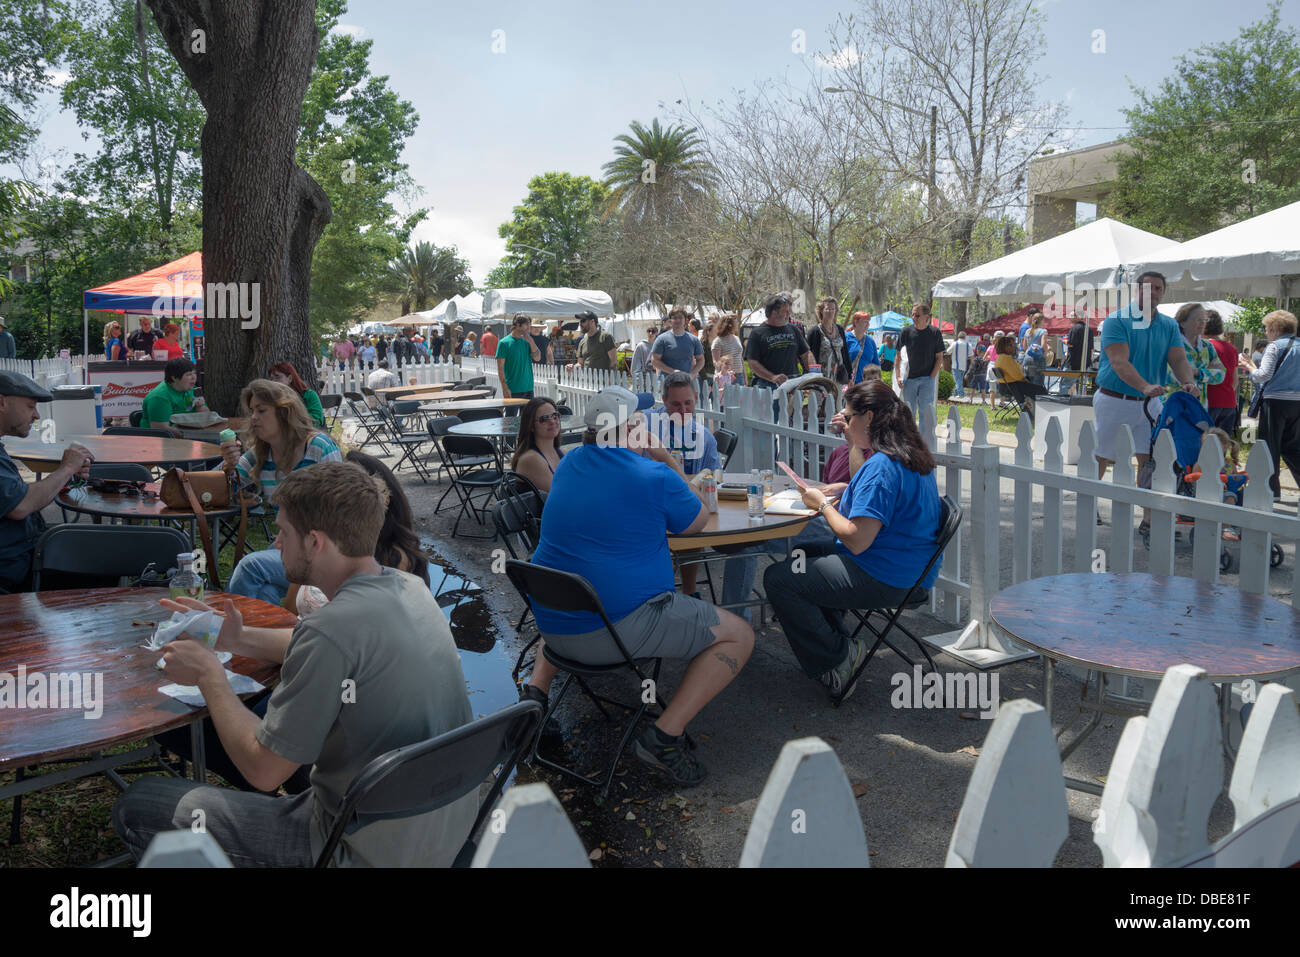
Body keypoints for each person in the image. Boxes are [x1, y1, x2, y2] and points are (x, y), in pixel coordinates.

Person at [113, 461, 475, 867]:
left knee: (140, 805)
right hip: (441, 828)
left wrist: (209, 675)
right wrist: (233, 636)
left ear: (315, 542)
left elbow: (264, 772)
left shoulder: (331, 630)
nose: (277, 543)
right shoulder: (407, 588)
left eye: (283, 532)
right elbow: (336, 648)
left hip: (353, 848)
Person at [521, 386, 753, 786]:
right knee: (740, 636)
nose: (647, 422)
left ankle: (534, 695)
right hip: (613, 630)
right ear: (630, 427)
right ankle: (664, 737)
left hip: (554, 627)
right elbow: (696, 523)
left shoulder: (570, 464)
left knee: (574, 577)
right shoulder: (652, 474)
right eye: (640, 419)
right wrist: (664, 457)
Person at [763, 380, 942, 701]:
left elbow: (857, 540)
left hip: (887, 576)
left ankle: (838, 657)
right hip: (910, 570)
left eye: (849, 416)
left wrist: (821, 503)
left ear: (869, 418)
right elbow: (893, 503)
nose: (846, 421)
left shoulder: (882, 467)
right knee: (806, 553)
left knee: (778, 579)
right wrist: (846, 490)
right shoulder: (910, 456)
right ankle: (838, 643)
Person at [1093, 271, 1199, 531]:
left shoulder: (1169, 325)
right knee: (1101, 458)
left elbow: (1178, 360)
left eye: (1159, 289)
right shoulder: (1116, 321)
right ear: (1136, 290)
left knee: (1152, 458)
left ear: (1163, 293)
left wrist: (1188, 382)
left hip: (1150, 403)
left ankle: (1149, 519)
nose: (1154, 293)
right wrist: (1145, 385)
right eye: (1148, 288)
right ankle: (1089, 504)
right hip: (1114, 398)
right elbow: (1119, 362)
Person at [223, 380, 344, 604]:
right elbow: (228, 489)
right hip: (289, 547)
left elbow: (340, 512)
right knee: (263, 593)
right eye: (251, 411)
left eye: (261, 410)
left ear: (284, 412)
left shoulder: (318, 447)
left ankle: (232, 631)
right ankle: (270, 634)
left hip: (325, 552)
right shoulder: (260, 454)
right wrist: (229, 466)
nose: (254, 418)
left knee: (250, 566)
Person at [0, 371, 93, 592]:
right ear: (2, 402)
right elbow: (19, 505)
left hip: (25, 555)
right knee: (113, 556)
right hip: (14, 570)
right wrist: (67, 468)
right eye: (30, 406)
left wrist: (65, 476)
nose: (37, 416)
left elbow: (14, 495)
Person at [645, 371, 722, 599]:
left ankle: (689, 592)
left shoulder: (704, 436)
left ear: (696, 399)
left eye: (688, 403)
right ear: (664, 400)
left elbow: (715, 475)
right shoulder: (645, 426)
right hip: (647, 503)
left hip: (682, 504)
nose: (683, 410)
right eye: (676, 404)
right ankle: (660, 593)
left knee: (691, 519)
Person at [1239, 310, 1300, 499]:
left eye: (1267, 329)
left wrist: (1249, 367)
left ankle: (1271, 490)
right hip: (1297, 402)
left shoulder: (1274, 347)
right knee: (1293, 446)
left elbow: (1262, 375)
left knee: (1269, 446)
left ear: (1275, 329)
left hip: (1275, 402)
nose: (1266, 333)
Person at [744, 293, 814, 389]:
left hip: (793, 383)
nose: (789, 313)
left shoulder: (793, 329)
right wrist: (772, 377)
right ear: (774, 313)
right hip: (767, 385)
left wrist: (813, 371)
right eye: (785, 311)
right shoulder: (757, 333)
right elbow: (752, 362)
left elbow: (806, 354)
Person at [897, 303, 945, 421]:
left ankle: (924, 439)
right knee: (908, 414)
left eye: (917, 315)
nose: (914, 318)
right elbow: (898, 356)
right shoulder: (906, 332)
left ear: (926, 316)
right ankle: (910, 438)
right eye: (912, 315)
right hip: (909, 380)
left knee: (925, 414)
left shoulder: (935, 333)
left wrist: (932, 377)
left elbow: (939, 357)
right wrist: (898, 376)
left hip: (927, 380)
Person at [509, 396, 565, 494]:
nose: (552, 421)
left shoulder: (563, 453)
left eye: (554, 415)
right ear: (531, 426)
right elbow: (560, 495)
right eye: (544, 419)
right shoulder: (531, 459)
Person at [1172, 303, 1225, 406]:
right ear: (1183, 323)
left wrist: (1198, 372)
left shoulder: (1207, 346)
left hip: (1200, 407)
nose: (1202, 323)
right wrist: (1208, 372)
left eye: (1204, 320)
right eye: (1197, 319)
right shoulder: (1172, 344)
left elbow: (1221, 375)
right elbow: (1171, 375)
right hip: (1175, 405)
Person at [140, 357, 207, 429]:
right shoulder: (160, 397)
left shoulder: (192, 389)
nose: (194, 377)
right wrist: (188, 436)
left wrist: (200, 407)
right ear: (174, 378)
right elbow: (161, 429)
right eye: (188, 374)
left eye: (194, 373)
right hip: (162, 438)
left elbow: (207, 417)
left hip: (188, 433)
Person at [992, 337, 1048, 421]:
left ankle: (1032, 411)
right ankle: (1044, 413)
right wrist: (1025, 380)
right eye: (1010, 345)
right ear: (1004, 347)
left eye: (1013, 344)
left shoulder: (999, 358)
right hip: (1014, 386)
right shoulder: (1006, 358)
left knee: (1035, 388)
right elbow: (1017, 375)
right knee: (1041, 390)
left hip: (1006, 387)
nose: (1013, 347)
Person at [1204, 310, 1240, 435]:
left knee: (1204, 444)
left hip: (1210, 400)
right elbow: (1235, 381)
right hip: (1229, 401)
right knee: (1222, 445)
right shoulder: (1232, 348)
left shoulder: (1205, 347)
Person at [496, 314, 542, 408]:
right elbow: (500, 368)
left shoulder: (527, 341)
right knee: (510, 420)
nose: (529, 328)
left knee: (527, 420)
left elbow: (538, 358)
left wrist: (531, 341)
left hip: (528, 388)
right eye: (526, 325)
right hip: (512, 389)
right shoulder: (504, 343)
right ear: (517, 324)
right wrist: (505, 388)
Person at [806, 297, 851, 385]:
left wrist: (849, 375)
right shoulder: (815, 331)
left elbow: (844, 352)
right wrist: (812, 377)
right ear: (821, 311)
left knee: (838, 398)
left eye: (833, 309)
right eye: (827, 309)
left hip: (839, 375)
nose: (830, 311)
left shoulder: (840, 329)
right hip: (821, 377)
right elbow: (809, 355)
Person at [268, 361, 326, 428]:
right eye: (271, 378)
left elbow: (316, 423)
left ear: (290, 378)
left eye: (277, 376)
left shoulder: (309, 395)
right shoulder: (271, 399)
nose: (273, 381)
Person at [650, 308, 704, 379]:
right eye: (674, 318)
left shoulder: (694, 340)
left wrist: (692, 373)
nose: (678, 320)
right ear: (670, 321)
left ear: (685, 320)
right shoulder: (661, 339)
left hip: (686, 381)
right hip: (666, 381)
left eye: (680, 317)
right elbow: (654, 360)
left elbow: (701, 360)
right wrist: (672, 371)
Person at [844, 311, 880, 385]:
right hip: (848, 382)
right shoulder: (845, 338)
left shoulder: (870, 341)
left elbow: (876, 364)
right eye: (865, 322)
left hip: (866, 383)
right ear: (856, 322)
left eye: (868, 322)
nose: (868, 325)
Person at [711, 314, 743, 384]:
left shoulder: (737, 338)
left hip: (739, 376)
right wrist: (726, 373)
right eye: (736, 322)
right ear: (729, 325)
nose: (738, 323)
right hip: (725, 377)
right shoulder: (718, 341)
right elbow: (716, 362)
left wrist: (745, 377)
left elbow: (740, 358)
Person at [1019, 311, 1047, 386]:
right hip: (1038, 359)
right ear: (1041, 321)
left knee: (1029, 381)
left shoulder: (1028, 331)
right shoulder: (1043, 331)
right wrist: (1046, 352)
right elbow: (1043, 345)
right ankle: (1037, 397)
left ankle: (1029, 397)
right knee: (1038, 381)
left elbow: (1024, 346)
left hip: (1028, 358)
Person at [690, 317, 716, 384]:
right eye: (715, 330)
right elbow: (699, 363)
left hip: (714, 377)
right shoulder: (702, 345)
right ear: (708, 332)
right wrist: (705, 379)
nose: (717, 332)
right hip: (704, 378)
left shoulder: (716, 345)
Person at [947, 334, 971, 399]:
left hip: (955, 365)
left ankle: (961, 394)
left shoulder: (955, 343)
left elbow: (948, 352)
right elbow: (971, 355)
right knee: (959, 380)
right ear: (965, 337)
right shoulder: (968, 344)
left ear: (958, 336)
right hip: (964, 366)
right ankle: (955, 394)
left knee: (957, 381)